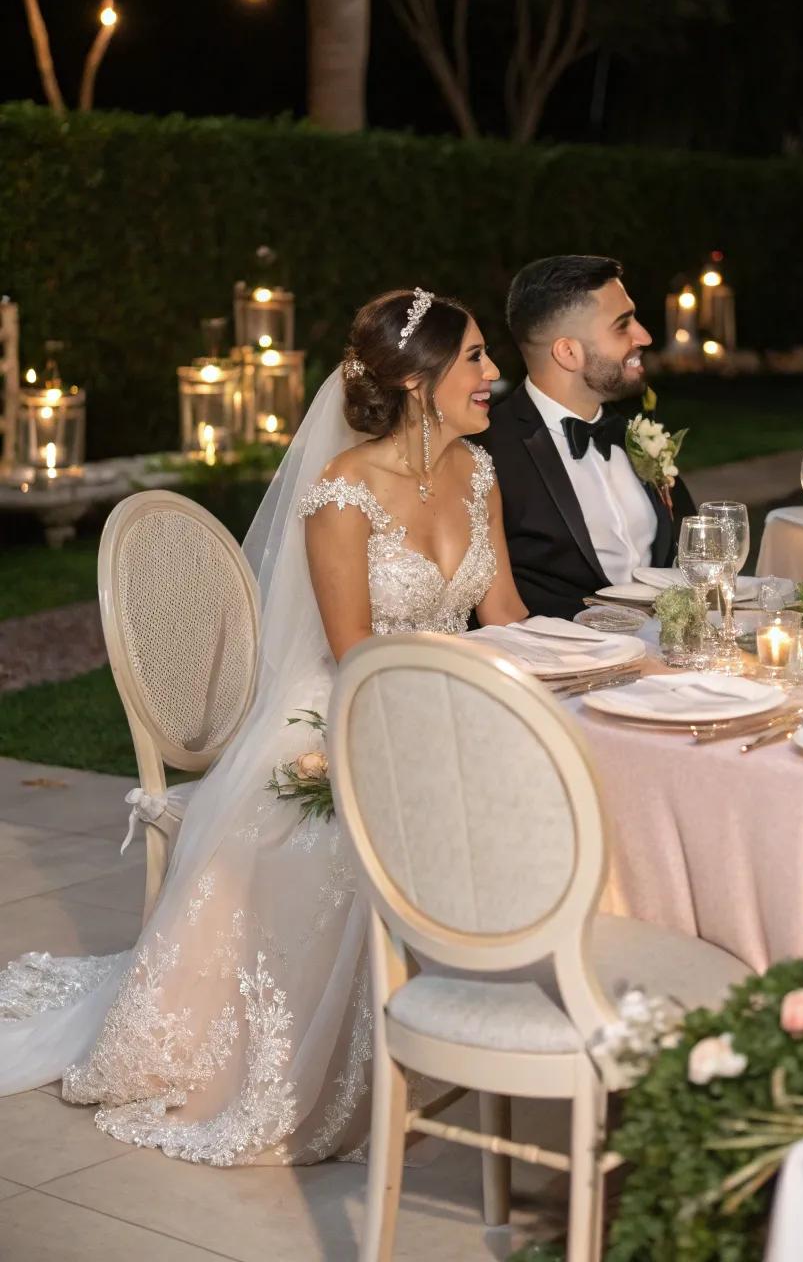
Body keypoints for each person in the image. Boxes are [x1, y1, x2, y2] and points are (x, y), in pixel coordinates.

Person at [0, 287, 526, 1166]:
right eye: (474, 356)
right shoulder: (341, 494)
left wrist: (576, 661)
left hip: (447, 699)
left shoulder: (478, 475)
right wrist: (445, 715)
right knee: (344, 844)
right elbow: (354, 650)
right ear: (410, 378)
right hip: (348, 708)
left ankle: (489, 1022)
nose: (493, 374)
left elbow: (503, 612)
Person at [481, 255, 695, 619]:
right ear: (568, 352)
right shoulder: (487, 453)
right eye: (622, 325)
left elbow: (691, 546)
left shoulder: (635, 436)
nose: (643, 335)